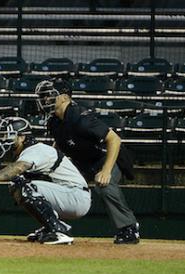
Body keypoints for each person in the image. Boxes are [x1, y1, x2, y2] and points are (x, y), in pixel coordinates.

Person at [35, 79, 140, 244]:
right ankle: (52, 226)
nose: (45, 100)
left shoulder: (81, 118)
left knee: (104, 186)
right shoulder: (54, 121)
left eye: (49, 95)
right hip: (81, 161)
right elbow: (58, 146)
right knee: (49, 183)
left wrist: (106, 171)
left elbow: (114, 140)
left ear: (63, 97)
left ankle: (129, 229)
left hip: (106, 157)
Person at [0, 117, 91, 245]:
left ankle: (59, 231)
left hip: (76, 195)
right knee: (18, 183)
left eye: (9, 135)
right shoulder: (29, 152)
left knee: (26, 188)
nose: (4, 139)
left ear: (22, 137)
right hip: (68, 194)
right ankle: (51, 226)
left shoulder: (36, 150)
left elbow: (18, 167)